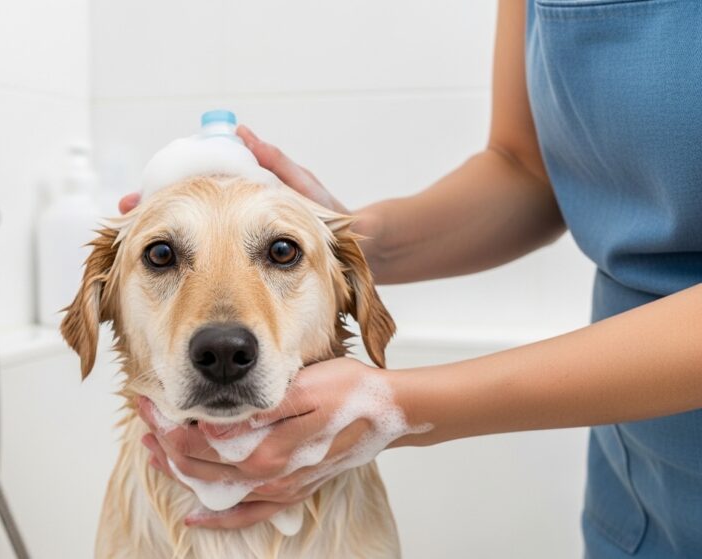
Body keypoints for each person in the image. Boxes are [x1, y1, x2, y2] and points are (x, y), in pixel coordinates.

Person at [119, 2, 702, 556]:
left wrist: (393, 407)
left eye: (278, 254)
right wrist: (346, 239)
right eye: (163, 258)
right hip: (644, 489)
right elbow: (527, 167)